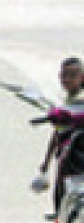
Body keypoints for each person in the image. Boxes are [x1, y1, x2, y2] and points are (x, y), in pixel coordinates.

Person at [38, 58, 84, 213]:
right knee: (61, 185)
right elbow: (58, 132)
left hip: (78, 148)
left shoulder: (81, 99)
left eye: (72, 75)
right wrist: (46, 161)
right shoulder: (64, 101)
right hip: (69, 152)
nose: (67, 80)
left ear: (82, 77)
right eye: (64, 75)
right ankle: (60, 216)